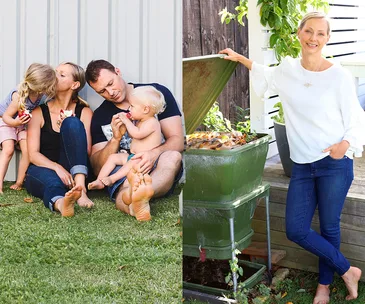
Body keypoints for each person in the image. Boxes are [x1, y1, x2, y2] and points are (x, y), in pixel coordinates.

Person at [220, 11, 364, 304]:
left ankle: (324, 285)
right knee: (296, 229)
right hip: (301, 165)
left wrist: (345, 143)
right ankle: (348, 270)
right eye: (309, 31)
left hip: (334, 163)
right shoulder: (287, 71)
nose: (314, 38)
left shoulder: (339, 76)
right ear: (299, 34)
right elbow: (264, 73)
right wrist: (240, 58)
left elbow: (356, 117)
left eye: (320, 33)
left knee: (329, 227)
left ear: (327, 39)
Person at [85, 59, 184, 221]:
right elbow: (97, 167)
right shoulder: (100, 116)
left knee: (173, 157)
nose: (110, 92)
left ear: (118, 72)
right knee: (125, 183)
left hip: (158, 165)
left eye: (111, 83)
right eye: (102, 91)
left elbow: (178, 141)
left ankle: (138, 193)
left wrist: (153, 154)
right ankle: (135, 204)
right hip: (125, 169)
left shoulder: (154, 95)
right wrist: (115, 138)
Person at [25, 62, 94, 217]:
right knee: (52, 181)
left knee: (72, 122)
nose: (54, 77)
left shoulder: (84, 112)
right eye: (55, 72)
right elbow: (33, 155)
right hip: (43, 168)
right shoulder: (38, 112)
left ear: (74, 84)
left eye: (61, 75)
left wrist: (69, 128)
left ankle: (81, 190)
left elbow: (87, 151)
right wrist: (56, 167)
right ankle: (61, 204)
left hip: (74, 172)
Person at [88, 86, 166, 218]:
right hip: (133, 156)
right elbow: (131, 133)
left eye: (132, 106)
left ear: (146, 109)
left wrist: (126, 121)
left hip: (144, 160)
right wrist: (125, 123)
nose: (129, 109)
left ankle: (112, 179)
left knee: (130, 165)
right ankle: (100, 180)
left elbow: (137, 134)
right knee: (113, 157)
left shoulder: (152, 122)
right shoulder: (141, 120)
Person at [0, 63, 57, 194]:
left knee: (27, 152)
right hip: (7, 121)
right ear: (42, 87)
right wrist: (16, 122)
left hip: (22, 123)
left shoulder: (39, 95)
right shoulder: (19, 96)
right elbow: (6, 117)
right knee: (8, 150)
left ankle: (19, 182)